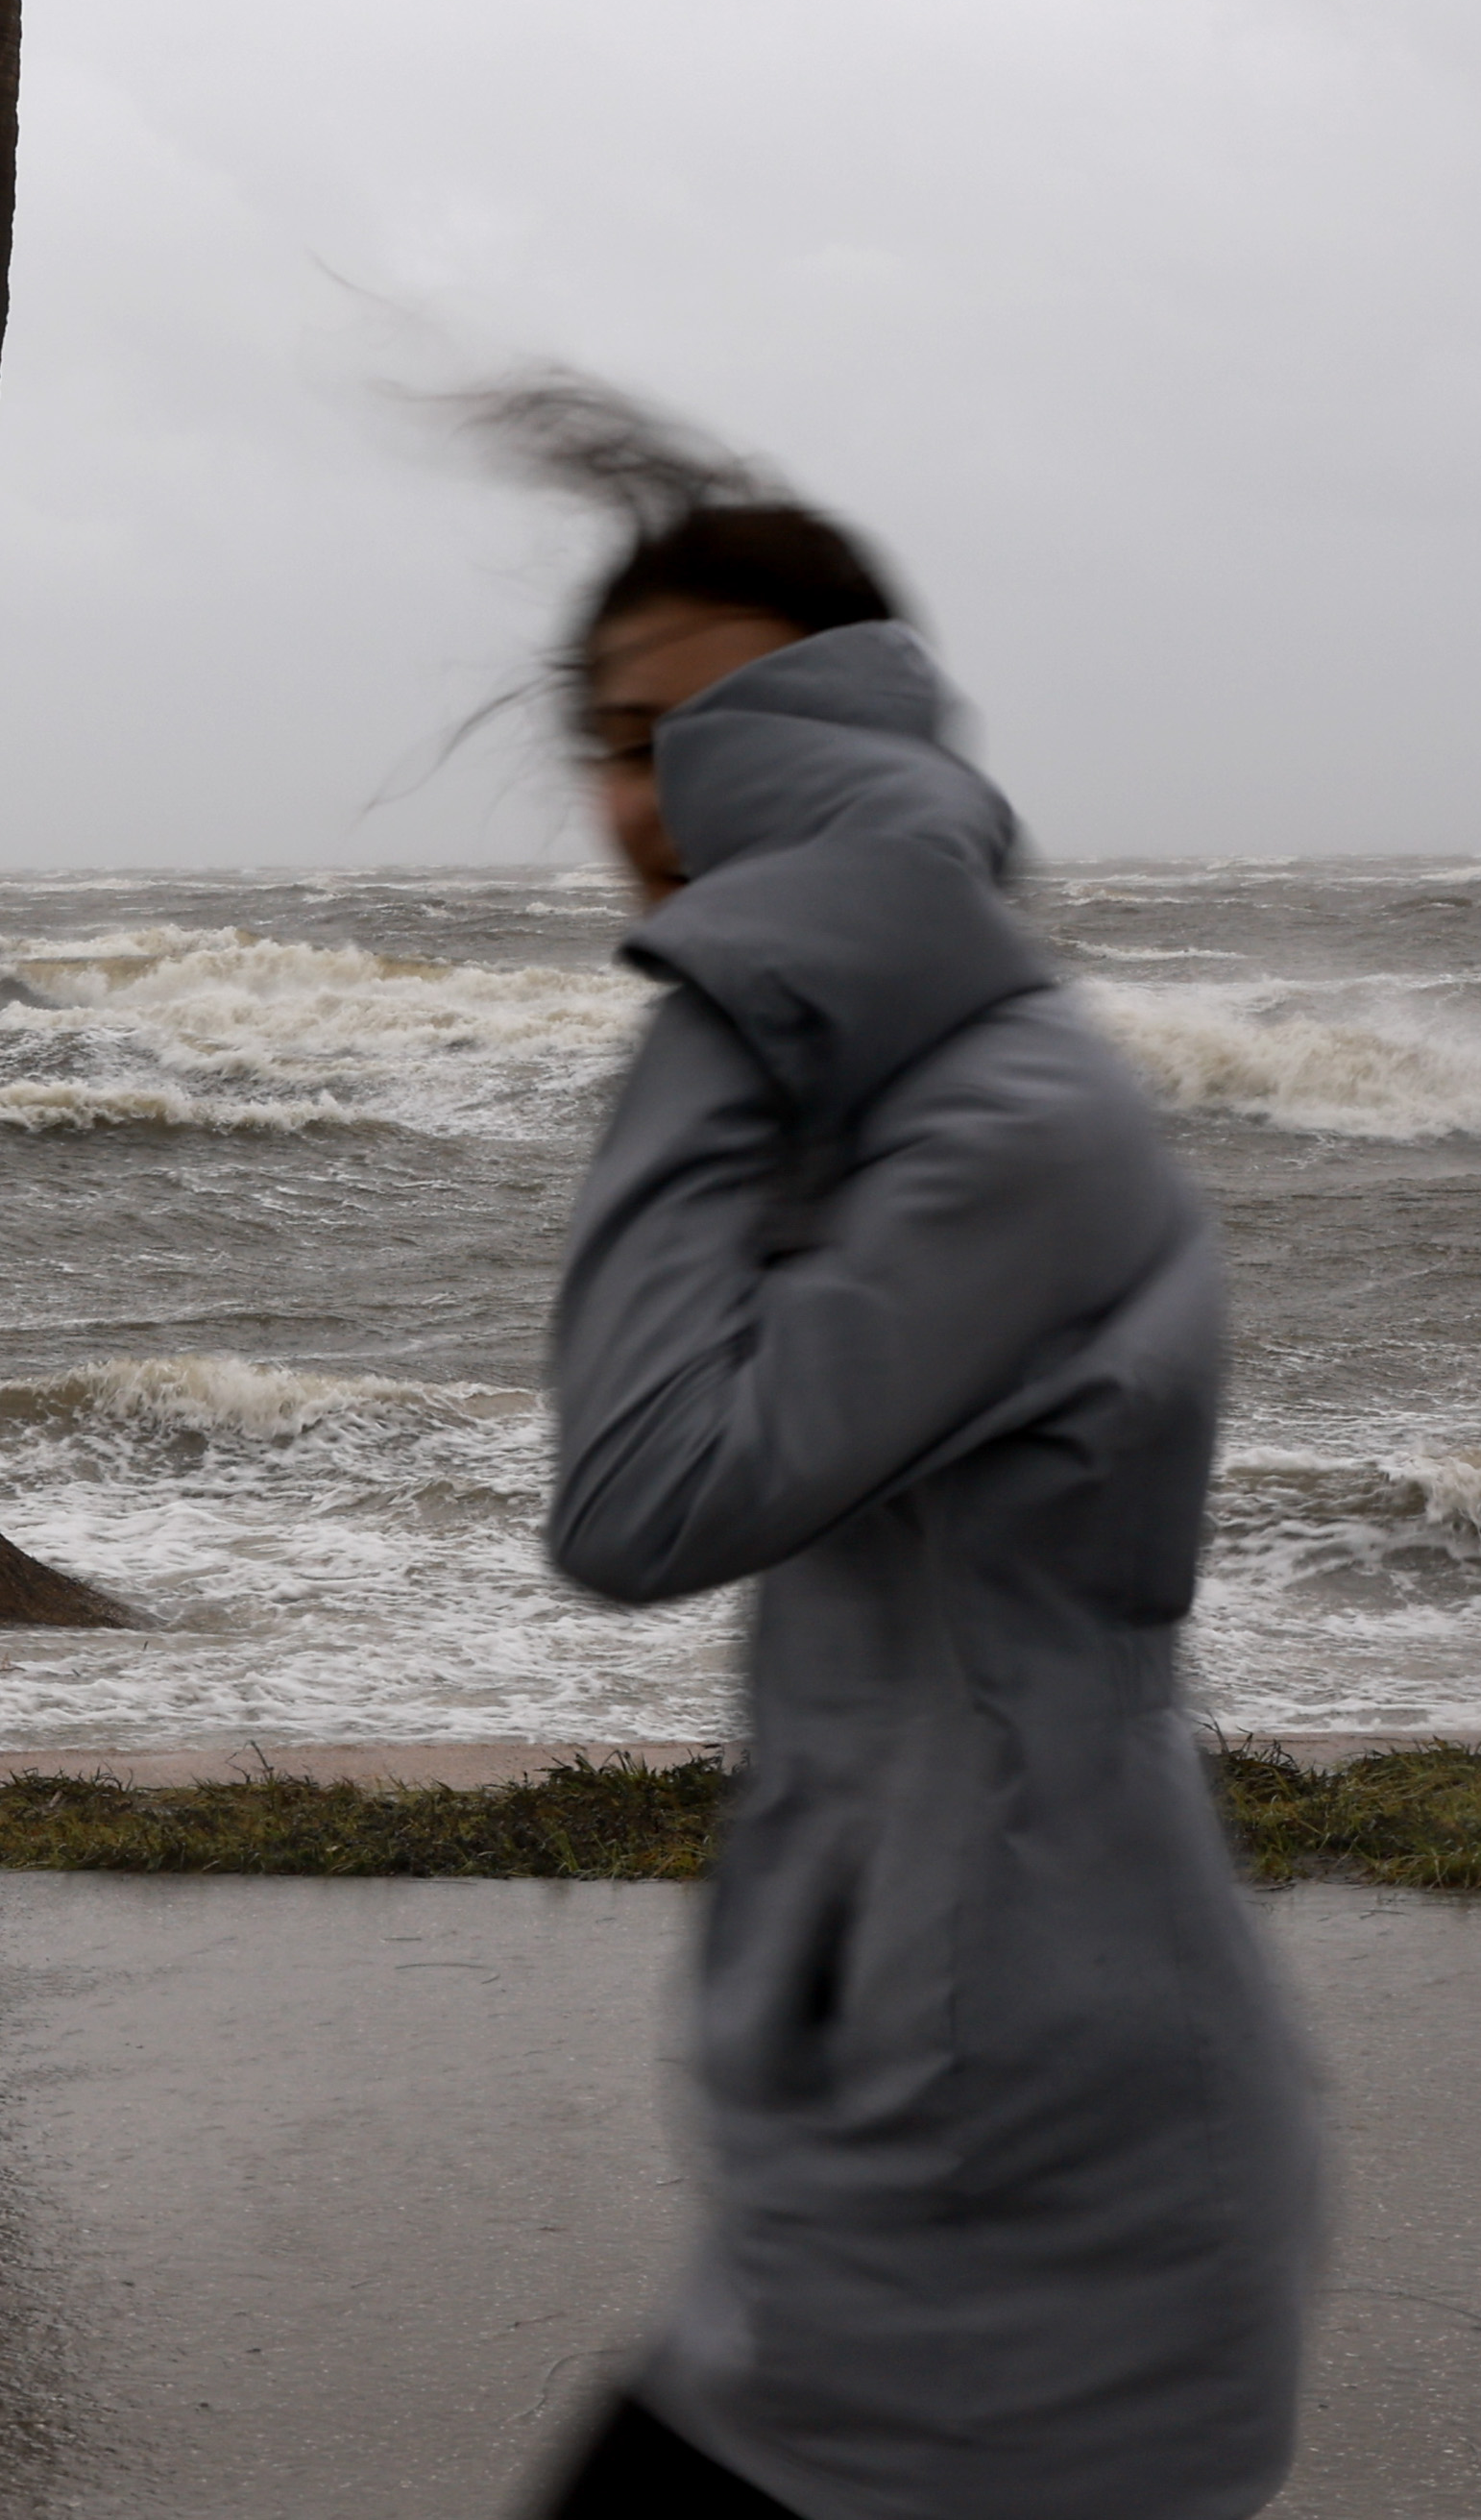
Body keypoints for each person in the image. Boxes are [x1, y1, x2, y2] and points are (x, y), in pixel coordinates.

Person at [499, 402, 1320, 2520]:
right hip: (892, 2137)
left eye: (709, 741)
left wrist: (713, 997)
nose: (648, 808)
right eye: (613, 739)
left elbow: (641, 1500)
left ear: (849, 764)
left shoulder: (1008, 1117)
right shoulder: (862, 1094)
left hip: (1029, 2173)